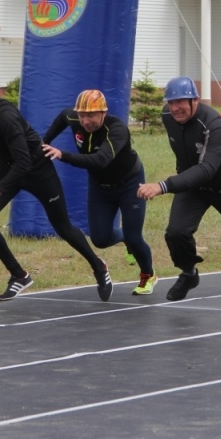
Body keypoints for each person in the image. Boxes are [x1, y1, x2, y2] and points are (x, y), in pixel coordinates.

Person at [0, 80, 112, 302]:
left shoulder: (5, 118)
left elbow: (24, 163)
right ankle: (19, 275)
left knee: (62, 227)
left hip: (36, 168)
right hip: (8, 166)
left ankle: (99, 266)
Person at [136, 76, 221, 311]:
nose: (175, 108)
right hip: (193, 186)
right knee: (176, 233)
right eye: (171, 103)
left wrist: (162, 186)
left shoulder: (214, 124)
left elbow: (207, 169)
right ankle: (189, 272)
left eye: (181, 102)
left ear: (195, 100)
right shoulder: (166, 116)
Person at [41, 90, 157, 295]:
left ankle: (148, 274)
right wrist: (46, 141)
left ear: (103, 113)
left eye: (91, 116)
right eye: (82, 115)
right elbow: (62, 117)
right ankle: (124, 239)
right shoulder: (74, 116)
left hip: (130, 184)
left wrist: (62, 155)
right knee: (100, 240)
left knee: (135, 236)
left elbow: (100, 160)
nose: (85, 121)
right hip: (99, 186)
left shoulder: (117, 129)